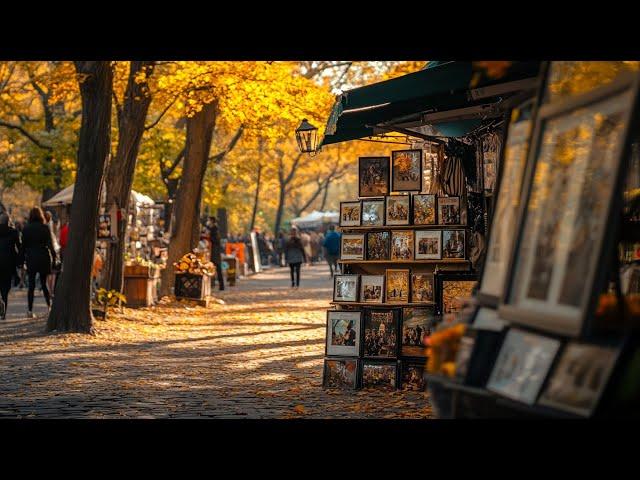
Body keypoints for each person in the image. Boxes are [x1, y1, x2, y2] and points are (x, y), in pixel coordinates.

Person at [21, 206, 57, 318]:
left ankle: (30, 310)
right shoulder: (45, 228)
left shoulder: (26, 229)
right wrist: (55, 257)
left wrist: (21, 261)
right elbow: (50, 244)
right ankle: (49, 307)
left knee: (31, 285)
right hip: (44, 257)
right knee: (44, 283)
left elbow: (23, 246)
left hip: (31, 258)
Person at [0, 213, 22, 320]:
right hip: (8, 263)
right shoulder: (13, 232)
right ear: (8, 221)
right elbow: (19, 247)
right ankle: (3, 311)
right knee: (6, 287)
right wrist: (20, 261)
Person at [43, 210, 60, 298]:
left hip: (47, 250)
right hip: (54, 246)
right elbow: (56, 236)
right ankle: (51, 290)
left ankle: (49, 290)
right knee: (53, 273)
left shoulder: (44, 226)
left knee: (48, 274)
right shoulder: (52, 225)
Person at [205, 216, 225, 291]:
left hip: (215, 252)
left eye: (209, 221)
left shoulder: (215, 230)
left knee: (217, 268)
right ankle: (214, 285)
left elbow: (215, 240)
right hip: (213, 251)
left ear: (212, 221)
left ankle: (220, 286)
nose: (208, 222)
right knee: (214, 268)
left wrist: (208, 238)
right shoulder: (212, 229)